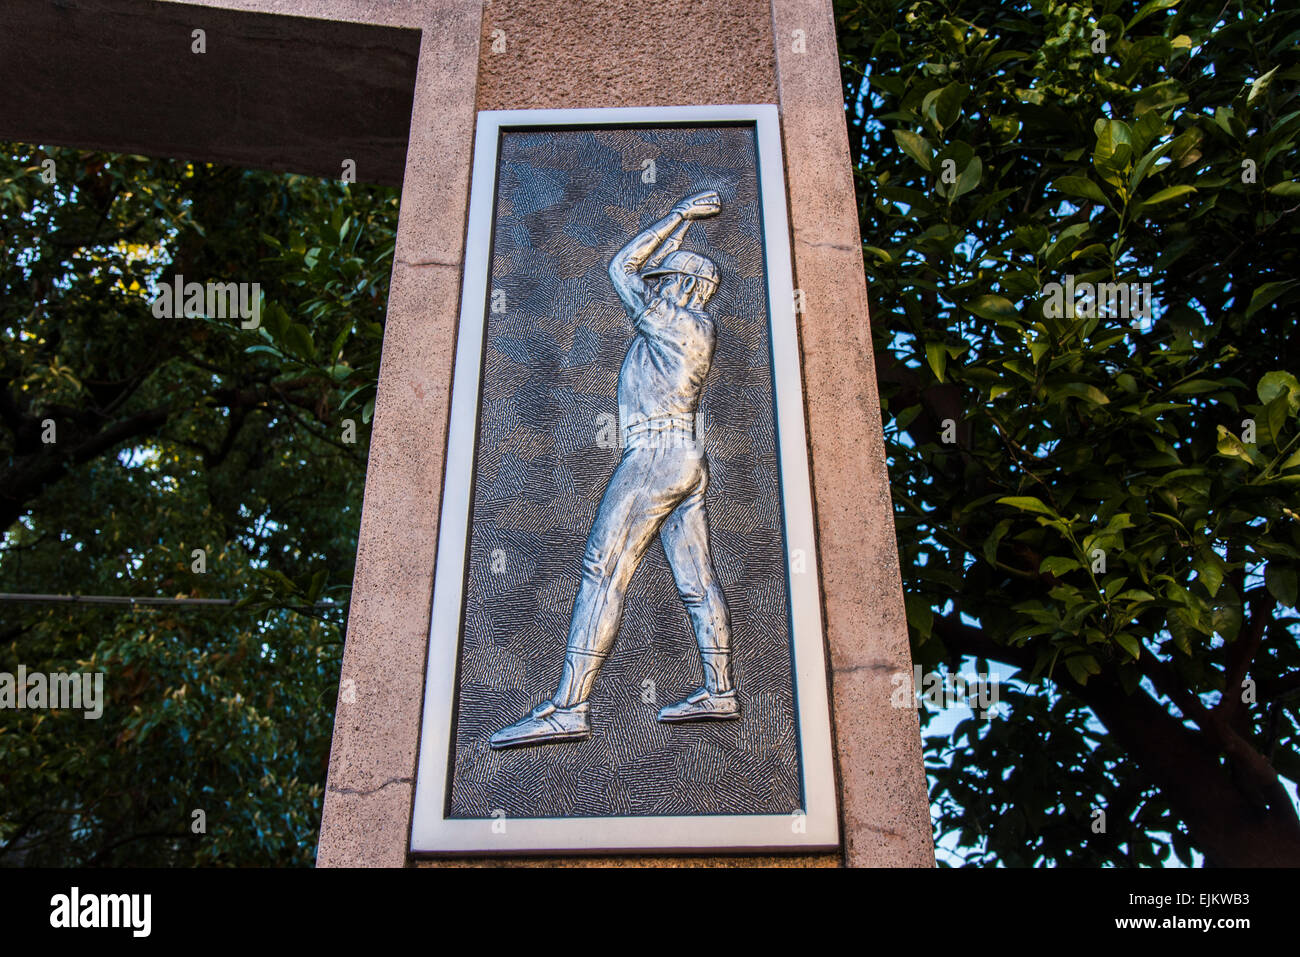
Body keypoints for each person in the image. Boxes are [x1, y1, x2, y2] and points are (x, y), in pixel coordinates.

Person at [490, 190, 739, 748]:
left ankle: (568, 706)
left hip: (653, 457)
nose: (654, 285)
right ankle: (720, 688)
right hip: (685, 458)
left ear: (686, 286)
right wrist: (677, 237)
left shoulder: (673, 320)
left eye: (664, 280)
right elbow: (645, 267)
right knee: (697, 581)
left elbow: (621, 266)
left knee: (602, 572)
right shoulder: (691, 322)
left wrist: (679, 216)